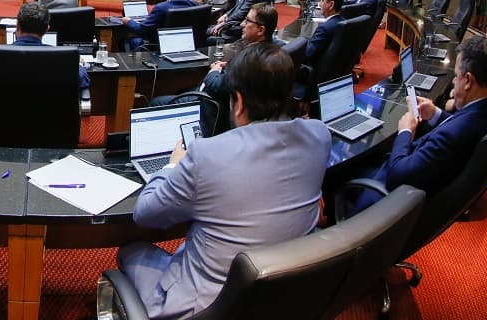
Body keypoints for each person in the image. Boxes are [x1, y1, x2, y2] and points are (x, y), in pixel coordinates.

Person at [117, 43, 331, 319]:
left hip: (209, 307)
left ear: (239, 102)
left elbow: (145, 214)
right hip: (284, 290)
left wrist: (172, 165)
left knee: (131, 251)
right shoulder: (319, 135)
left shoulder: (206, 155)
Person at [349, 36, 487, 214]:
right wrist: (435, 113)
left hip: (389, 198)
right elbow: (459, 122)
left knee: (344, 171)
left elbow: (397, 176)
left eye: (456, 76)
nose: (453, 81)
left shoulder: (452, 136)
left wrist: (406, 131)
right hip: (420, 168)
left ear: (468, 80)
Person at [14, 2, 89, 89]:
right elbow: (83, 80)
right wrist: (78, 64)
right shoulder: (61, 57)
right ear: (47, 29)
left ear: (17, 26)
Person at [121, 0, 198, 51]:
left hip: (161, 47)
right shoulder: (194, 5)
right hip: (188, 45)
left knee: (127, 40)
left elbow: (142, 29)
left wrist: (129, 21)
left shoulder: (161, 8)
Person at [305, 0, 343, 66]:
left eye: (322, 0)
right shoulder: (344, 22)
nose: (319, 4)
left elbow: (308, 54)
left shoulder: (324, 29)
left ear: (331, 5)